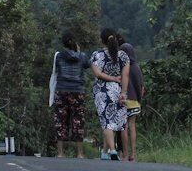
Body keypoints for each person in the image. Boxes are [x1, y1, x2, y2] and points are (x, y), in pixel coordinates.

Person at [90, 27, 129, 161]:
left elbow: (97, 74)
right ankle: (105, 152)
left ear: (102, 40)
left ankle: (112, 150)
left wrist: (111, 79)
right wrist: (123, 92)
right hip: (118, 91)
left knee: (106, 121)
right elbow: (125, 75)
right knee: (114, 121)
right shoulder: (123, 56)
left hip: (102, 91)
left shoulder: (96, 55)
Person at [51, 30, 90, 158]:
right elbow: (87, 65)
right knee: (78, 120)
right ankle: (79, 153)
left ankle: (60, 153)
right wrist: (78, 51)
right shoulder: (82, 56)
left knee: (60, 120)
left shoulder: (59, 56)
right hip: (78, 91)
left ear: (64, 43)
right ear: (74, 42)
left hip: (61, 90)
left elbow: (56, 69)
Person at [117, 35, 145, 162]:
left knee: (124, 126)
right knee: (132, 125)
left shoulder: (122, 67)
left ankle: (124, 154)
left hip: (124, 100)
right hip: (135, 101)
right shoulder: (137, 68)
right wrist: (139, 100)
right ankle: (133, 154)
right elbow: (142, 87)